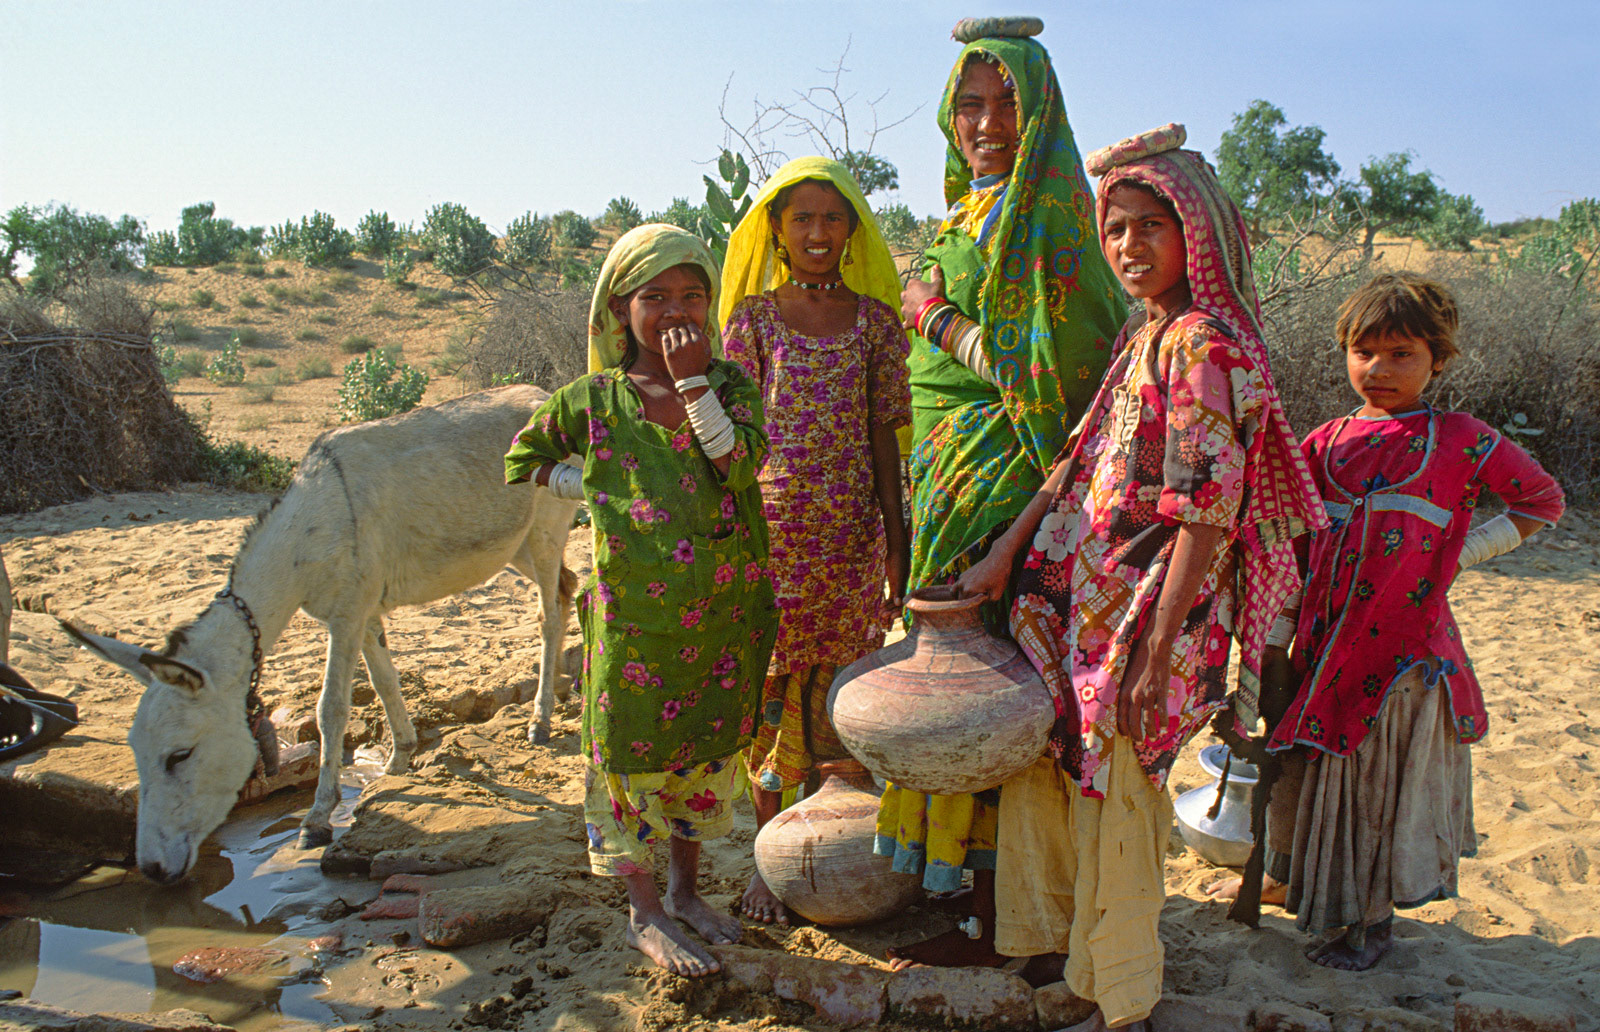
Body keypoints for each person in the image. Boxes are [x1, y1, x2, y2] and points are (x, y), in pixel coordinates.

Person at [956, 124, 1326, 1028]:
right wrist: (1007, 554)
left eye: (1148, 226)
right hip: (1085, 608)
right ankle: (1073, 961)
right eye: (1114, 228)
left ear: (1194, 231)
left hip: (1145, 621)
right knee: (1071, 780)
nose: (1127, 246)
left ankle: (1118, 997)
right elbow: (1081, 458)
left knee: (1118, 795)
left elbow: (1208, 513)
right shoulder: (1148, 331)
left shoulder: (1204, 346)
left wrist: (1157, 651)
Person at [878, 16, 1127, 970]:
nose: (985, 123)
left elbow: (1068, 370)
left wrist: (940, 322)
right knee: (948, 674)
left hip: (1010, 479)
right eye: (968, 106)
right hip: (948, 471)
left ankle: (1004, 913)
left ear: (1042, 113)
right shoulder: (962, 211)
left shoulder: (1055, 218)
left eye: (1006, 105)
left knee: (999, 679)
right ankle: (972, 900)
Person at [1249, 272, 1565, 970]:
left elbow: (1541, 501)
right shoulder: (1323, 444)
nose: (1379, 369)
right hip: (1322, 648)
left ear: (1437, 360)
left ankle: (1366, 925)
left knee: (1371, 789)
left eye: (1401, 355)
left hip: (1403, 656)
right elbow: (1294, 551)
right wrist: (1276, 639)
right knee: (1297, 767)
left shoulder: (1461, 439)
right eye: (1365, 352)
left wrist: (1460, 555)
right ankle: (1284, 881)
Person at [504, 224, 778, 978]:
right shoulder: (590, 401)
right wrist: (589, 492)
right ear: (618, 308)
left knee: (700, 751)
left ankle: (686, 892)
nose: (674, 310)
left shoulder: (729, 388)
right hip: (632, 626)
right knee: (624, 760)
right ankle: (643, 910)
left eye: (692, 294)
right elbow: (523, 459)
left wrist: (693, 382)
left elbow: (740, 463)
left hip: (721, 615)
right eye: (654, 296)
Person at [718, 157, 911, 925]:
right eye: (802, 218)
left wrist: (897, 540)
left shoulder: (874, 322)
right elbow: (733, 438)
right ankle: (770, 864)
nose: (819, 233)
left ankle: (834, 854)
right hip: (774, 539)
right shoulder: (754, 321)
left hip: (852, 538)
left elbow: (884, 439)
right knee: (774, 690)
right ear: (776, 229)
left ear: (853, 228)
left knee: (842, 692)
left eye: (833, 218)